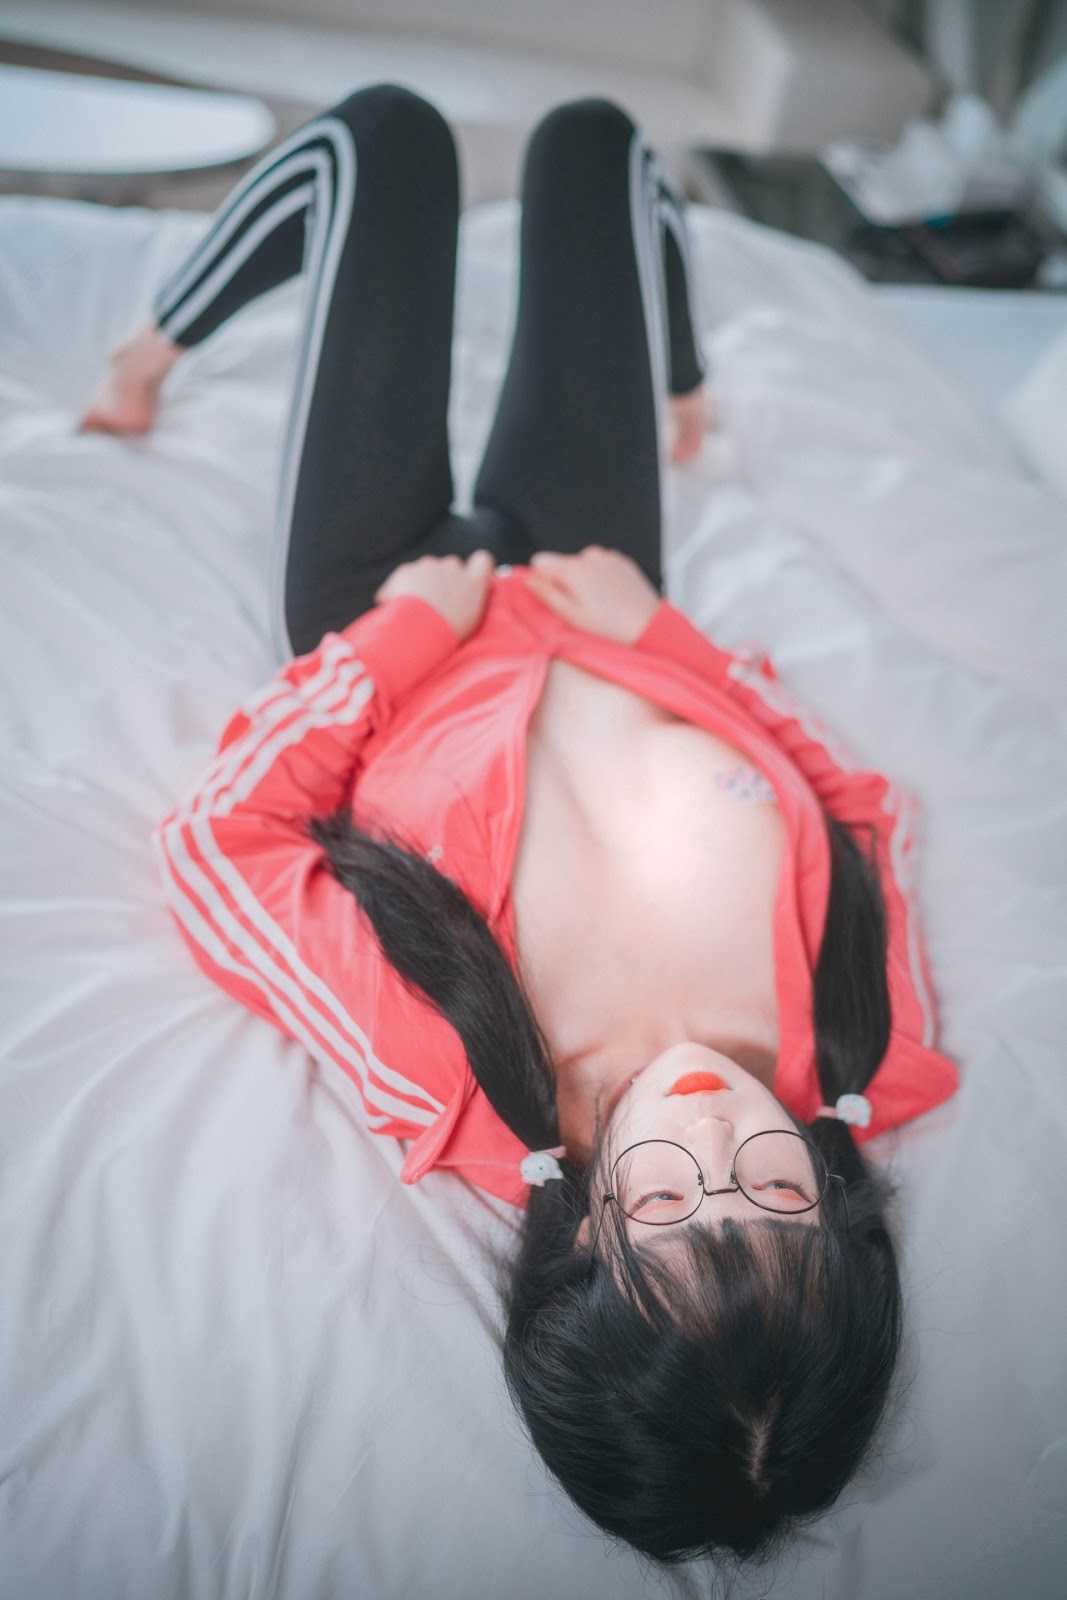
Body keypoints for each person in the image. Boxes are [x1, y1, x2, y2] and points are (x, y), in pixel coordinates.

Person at [88, 85, 960, 1574]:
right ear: (836, 1214)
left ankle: (148, 349)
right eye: (774, 1192)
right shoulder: (868, 1042)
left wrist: (393, 640)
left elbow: (217, 849)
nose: (714, 1134)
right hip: (596, 585)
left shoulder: (454, 1081)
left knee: (388, 141)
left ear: (587, 1241)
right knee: (595, 147)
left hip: (393, 603)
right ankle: (684, 380)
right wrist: (668, 637)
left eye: (668, 1202)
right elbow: (861, 812)